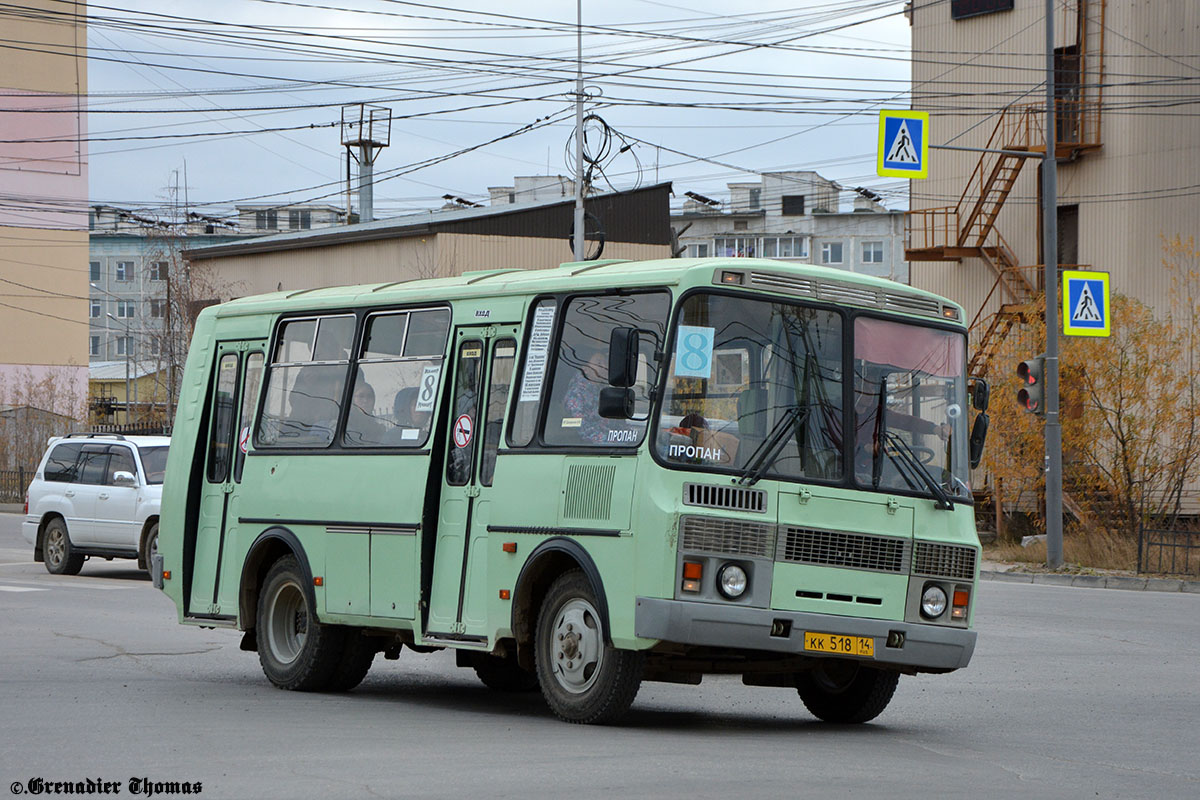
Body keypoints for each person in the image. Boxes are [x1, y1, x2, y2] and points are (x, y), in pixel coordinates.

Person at [345, 378, 386, 446]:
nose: (365, 400)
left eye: (369, 396)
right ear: (352, 400)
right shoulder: (342, 426)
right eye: (361, 396)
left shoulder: (379, 429)